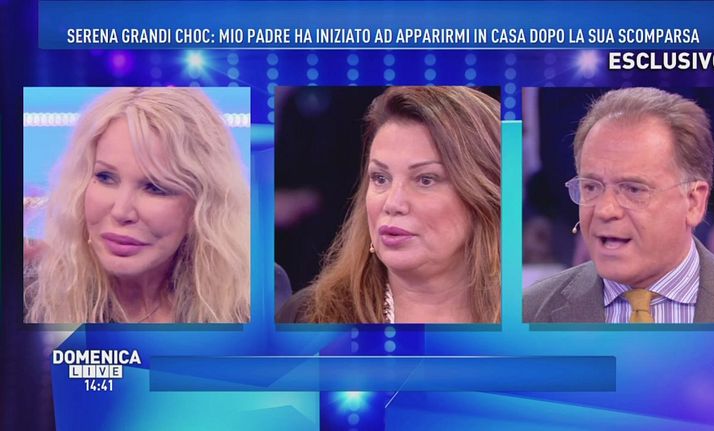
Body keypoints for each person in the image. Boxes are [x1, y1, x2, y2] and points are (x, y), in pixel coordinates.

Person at [523, 87, 714, 323]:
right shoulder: (529, 312)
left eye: (633, 189)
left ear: (693, 202)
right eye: (591, 187)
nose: (604, 210)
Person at [24, 88, 250, 323]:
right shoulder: (30, 297)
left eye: (155, 187)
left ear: (203, 206)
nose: (121, 211)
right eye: (105, 177)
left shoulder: (250, 304)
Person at [277, 86, 501, 323]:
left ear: (483, 195)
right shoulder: (306, 316)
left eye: (425, 180)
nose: (392, 203)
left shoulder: (523, 318)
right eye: (380, 178)